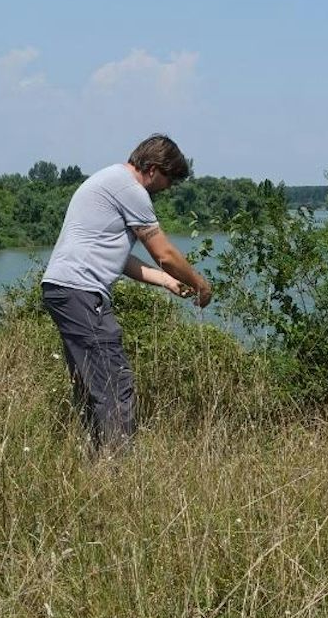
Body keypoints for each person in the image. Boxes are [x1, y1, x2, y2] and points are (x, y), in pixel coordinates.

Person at [41, 134, 213, 455]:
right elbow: (164, 253)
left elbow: (121, 260)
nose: (169, 188)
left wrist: (166, 281)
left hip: (65, 290)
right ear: (153, 169)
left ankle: (99, 461)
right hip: (81, 291)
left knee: (92, 384)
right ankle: (117, 467)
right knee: (114, 383)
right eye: (170, 179)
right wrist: (200, 284)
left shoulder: (110, 181)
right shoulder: (130, 189)